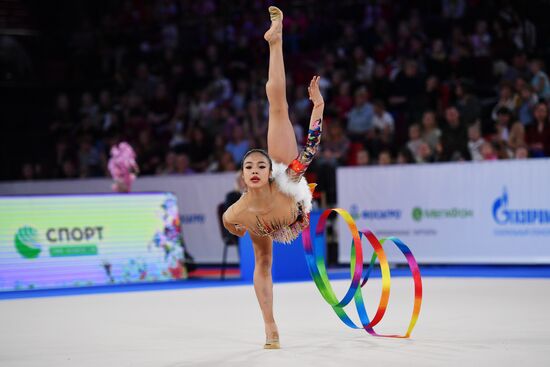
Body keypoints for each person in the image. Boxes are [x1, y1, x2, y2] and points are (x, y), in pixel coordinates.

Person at [222, 7, 324, 350]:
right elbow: (230, 224)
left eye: (258, 166)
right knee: (263, 260)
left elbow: (310, 148)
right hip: (262, 220)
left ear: (268, 172)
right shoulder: (237, 213)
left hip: (289, 204)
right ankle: (270, 325)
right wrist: (243, 225)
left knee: (277, 104)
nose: (253, 169)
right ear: (243, 175)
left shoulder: (285, 175)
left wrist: (318, 108)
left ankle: (275, 41)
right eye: (248, 166)